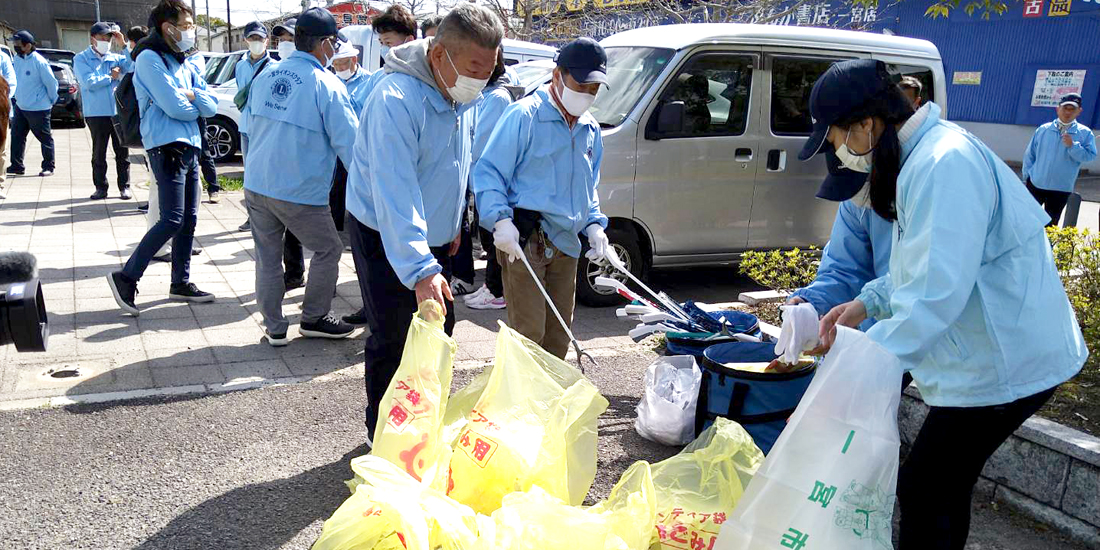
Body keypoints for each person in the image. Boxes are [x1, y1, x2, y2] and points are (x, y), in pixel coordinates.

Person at [807, 59, 1087, 550]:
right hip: (988, 352)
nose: (837, 150)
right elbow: (926, 263)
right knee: (937, 485)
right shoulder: (924, 159)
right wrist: (867, 302)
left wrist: (855, 370)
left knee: (928, 486)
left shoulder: (943, 163)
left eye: (834, 137)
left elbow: (935, 292)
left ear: (866, 125)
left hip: (1007, 358)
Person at [346, 3, 503, 442]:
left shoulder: (460, 93)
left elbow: (457, 163)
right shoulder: (394, 100)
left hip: (433, 232)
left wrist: (453, 224)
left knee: (438, 332)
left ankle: (422, 429)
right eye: (474, 68)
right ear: (439, 55)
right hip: (383, 229)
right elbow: (395, 191)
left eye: (488, 70)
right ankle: (383, 438)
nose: (481, 80)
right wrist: (421, 269)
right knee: (394, 336)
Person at [473, 37, 610, 359]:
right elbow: (489, 171)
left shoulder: (590, 128)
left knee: (559, 334)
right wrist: (500, 220)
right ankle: (522, 405)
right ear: (558, 75)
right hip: (527, 238)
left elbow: (588, 187)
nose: (587, 94)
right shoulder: (524, 115)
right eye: (582, 84)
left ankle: (548, 403)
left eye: (594, 88)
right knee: (529, 334)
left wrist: (594, 225)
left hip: (567, 242)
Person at [244, 7, 360, 346]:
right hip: (296, 189)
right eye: (333, 43)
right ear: (324, 43)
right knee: (328, 249)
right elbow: (350, 145)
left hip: (257, 181)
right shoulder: (327, 84)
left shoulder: (265, 74)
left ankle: (275, 326)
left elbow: (251, 125)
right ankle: (314, 317)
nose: (335, 50)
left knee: (267, 255)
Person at [107, 0, 219, 315]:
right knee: (171, 218)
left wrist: (194, 96)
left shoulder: (182, 59)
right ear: (167, 28)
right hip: (166, 146)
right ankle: (126, 277)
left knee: (189, 219)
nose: (191, 32)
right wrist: (194, 100)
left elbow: (209, 105)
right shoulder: (149, 59)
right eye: (186, 26)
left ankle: (180, 282)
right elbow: (176, 108)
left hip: (190, 145)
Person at [339, 3, 422, 328]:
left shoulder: (423, 87)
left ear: (411, 38)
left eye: (393, 43)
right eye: (385, 45)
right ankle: (372, 308)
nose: (390, 51)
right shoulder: (381, 82)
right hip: (370, 195)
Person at [463, 50, 515, 311]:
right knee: (489, 238)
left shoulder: (497, 98)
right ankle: (492, 287)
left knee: (496, 238)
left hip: (491, 181)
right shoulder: (486, 94)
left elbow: (481, 144)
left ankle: (497, 291)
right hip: (480, 179)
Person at [237, 18, 293, 234]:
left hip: (266, 128)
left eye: (260, 38)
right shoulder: (240, 65)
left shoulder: (276, 66)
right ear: (246, 41)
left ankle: (270, 216)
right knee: (249, 173)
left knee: (268, 172)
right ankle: (252, 216)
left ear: (267, 41)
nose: (256, 42)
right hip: (245, 126)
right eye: (252, 38)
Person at [75, 22, 133, 201]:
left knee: (122, 151)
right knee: (99, 152)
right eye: (102, 37)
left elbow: (132, 66)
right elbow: (88, 82)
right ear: (93, 38)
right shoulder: (81, 58)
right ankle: (101, 187)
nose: (106, 41)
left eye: (108, 38)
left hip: (117, 111)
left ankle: (125, 186)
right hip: (96, 112)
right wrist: (111, 77)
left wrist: (123, 44)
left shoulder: (114, 57)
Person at [1022, 93, 1097, 227]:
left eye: (1072, 109)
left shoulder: (1084, 133)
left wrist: (1073, 146)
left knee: (1050, 226)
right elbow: (1030, 154)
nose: (1068, 112)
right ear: (1058, 109)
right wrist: (1027, 177)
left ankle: (1046, 248)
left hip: (1060, 188)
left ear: (1079, 111)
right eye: (1065, 108)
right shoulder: (1044, 129)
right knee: (1026, 222)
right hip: (1035, 184)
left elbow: (1089, 156)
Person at [7, 31, 58, 178]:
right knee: (16, 136)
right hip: (21, 106)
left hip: (39, 108)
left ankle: (48, 166)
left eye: (18, 44)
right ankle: (17, 165)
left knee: (44, 138)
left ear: (28, 45)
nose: (15, 46)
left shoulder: (39, 61)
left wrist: (51, 101)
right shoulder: (16, 59)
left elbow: (51, 83)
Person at [0, 43, 15, 193]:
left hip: (1, 110)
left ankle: (0, 183)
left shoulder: (3, 58)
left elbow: (11, 82)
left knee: (1, 150)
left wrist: (3, 97)